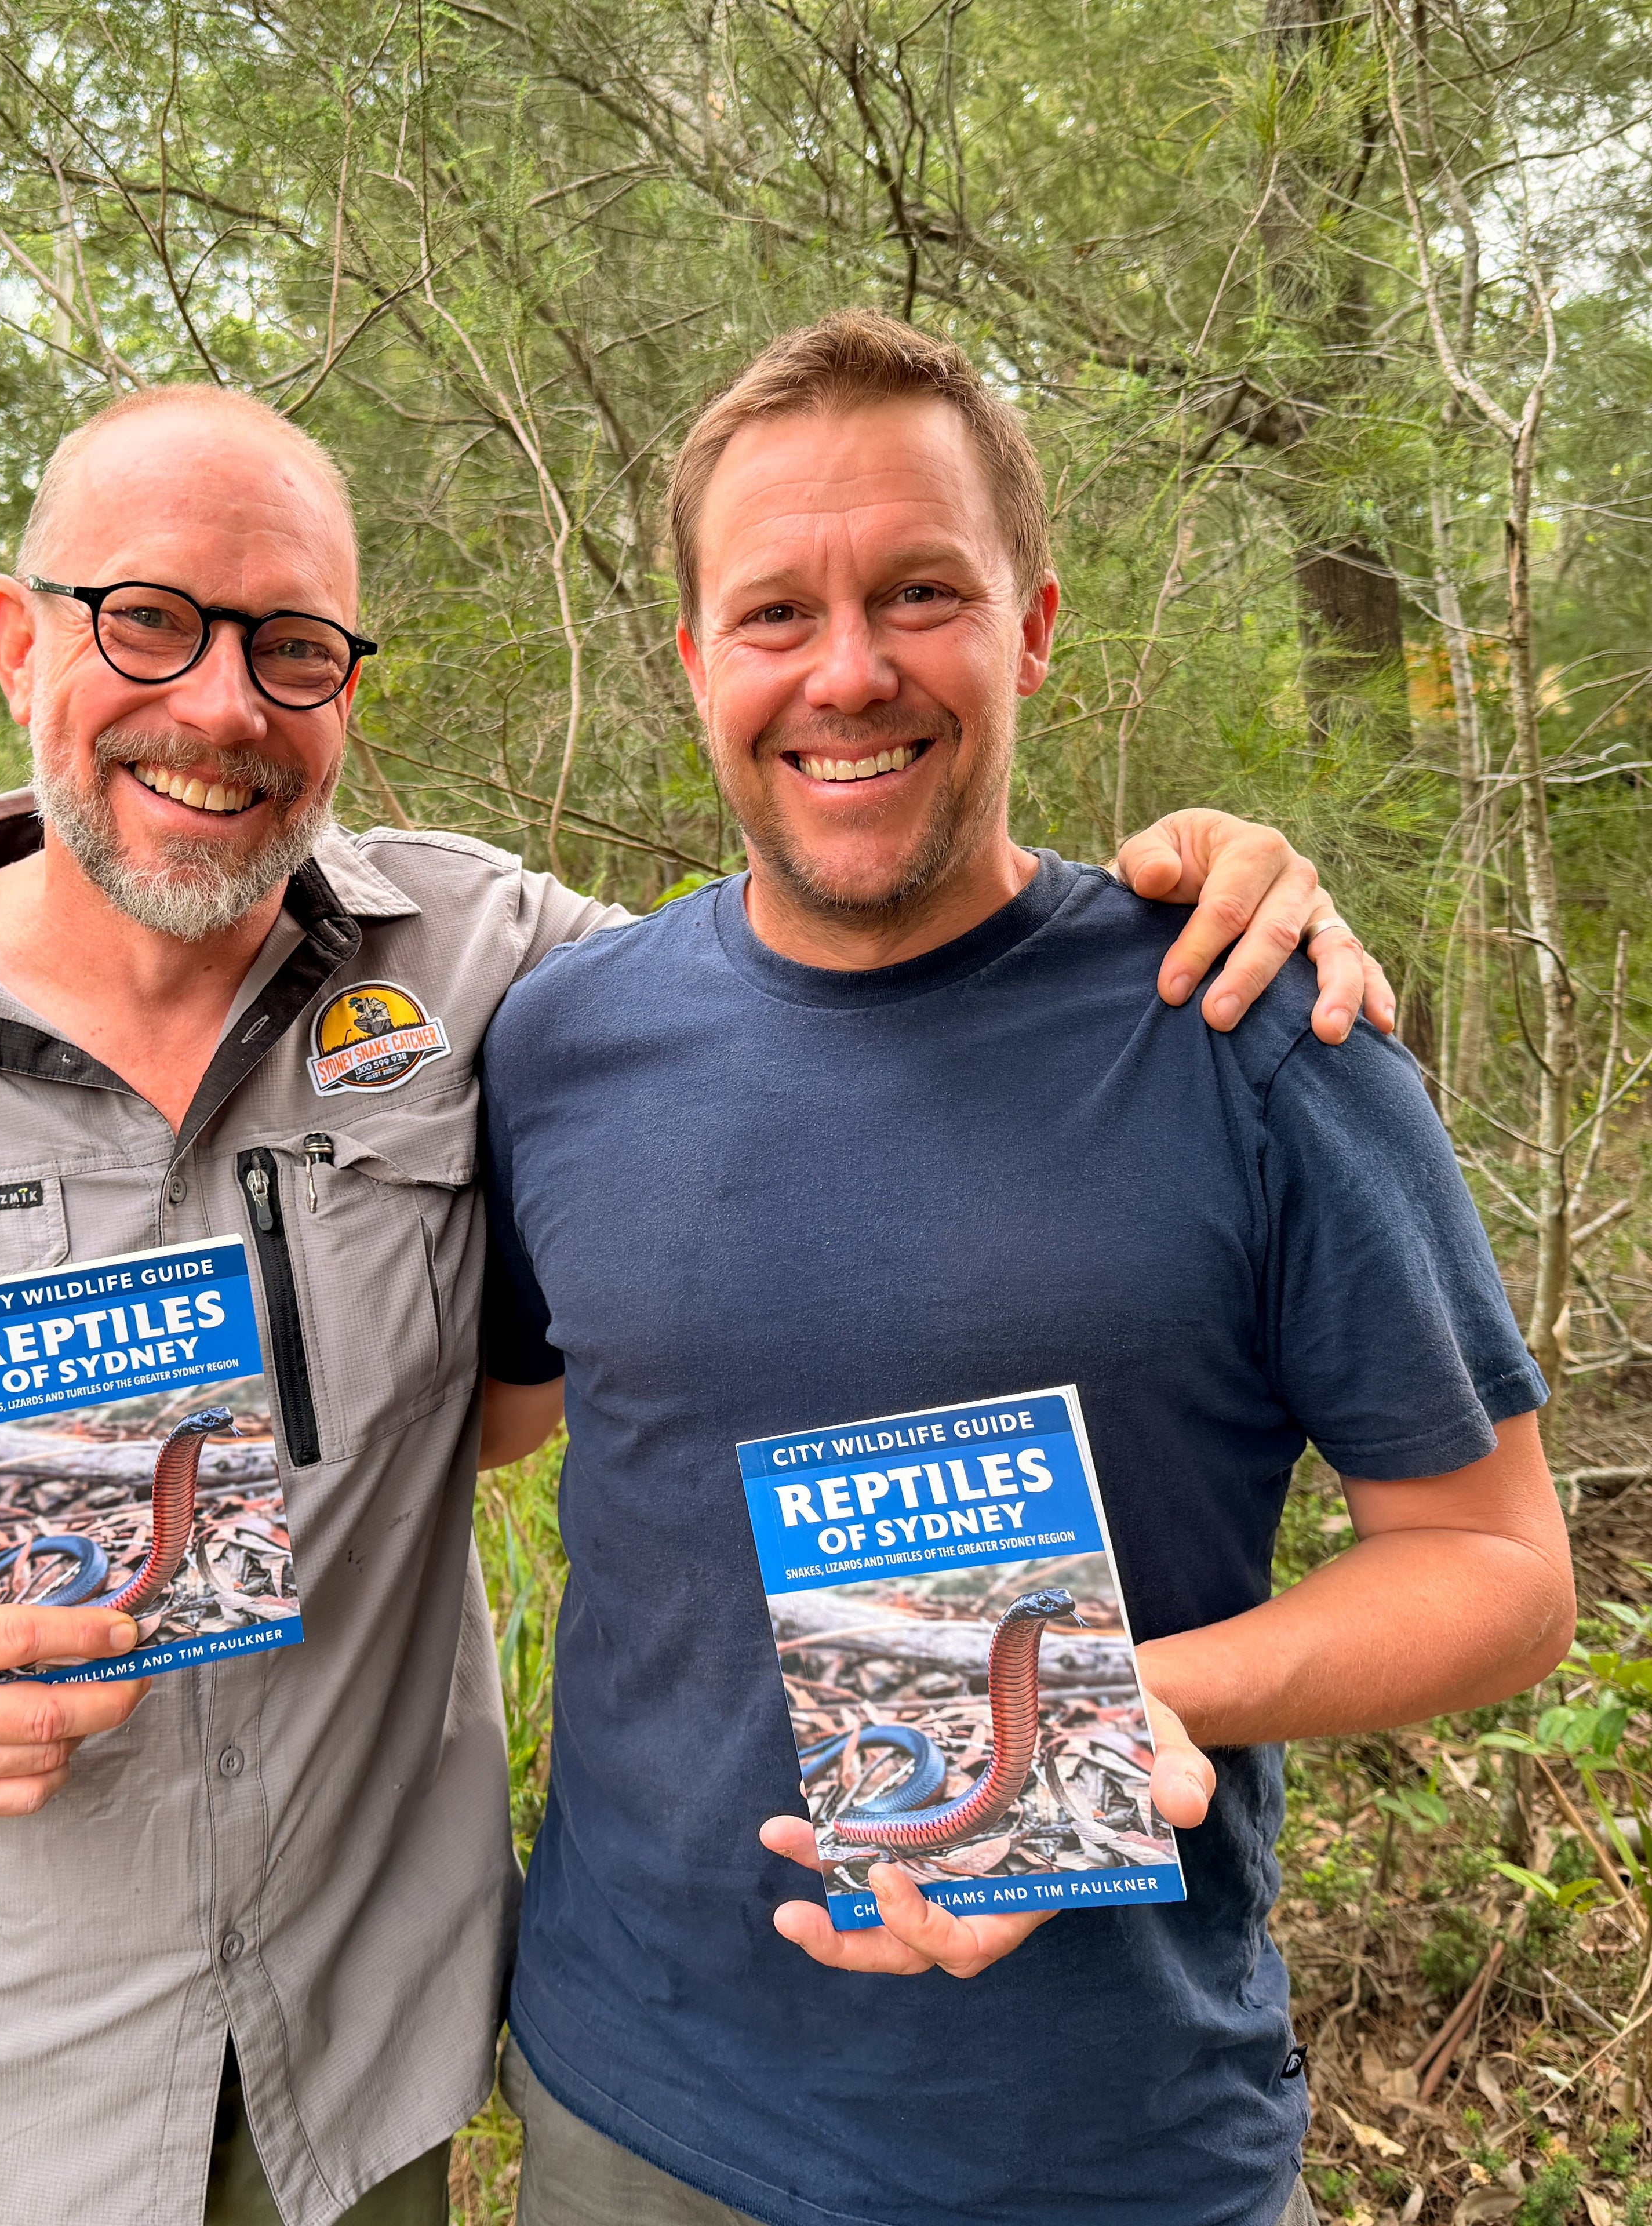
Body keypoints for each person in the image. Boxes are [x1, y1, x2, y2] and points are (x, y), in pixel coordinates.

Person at [0, 379, 1390, 2226]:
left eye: (294, 649)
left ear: (346, 685)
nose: (221, 707)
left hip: (355, 2094)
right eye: (148, 623)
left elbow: (828, 952)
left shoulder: (498, 971)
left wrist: (1194, 879)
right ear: (18, 640)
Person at [475, 314, 1574, 2226]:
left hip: (1111, 2146)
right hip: (636, 2114)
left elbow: (1496, 1574)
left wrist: (1125, 1699)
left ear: (1033, 627)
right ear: (691, 663)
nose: (849, 671)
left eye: (921, 592)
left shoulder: (1248, 1028)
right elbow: (480, 1422)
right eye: (774, 613)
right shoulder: (565, 1043)